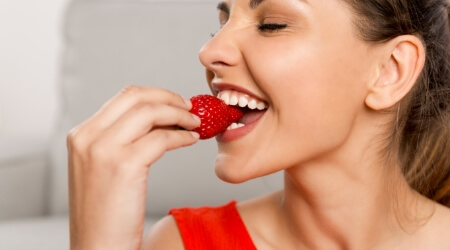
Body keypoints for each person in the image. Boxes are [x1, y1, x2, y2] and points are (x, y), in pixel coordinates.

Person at [67, 0, 450, 249]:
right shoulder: (183, 243)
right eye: (221, 22)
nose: (210, 51)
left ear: (390, 71)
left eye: (272, 24)